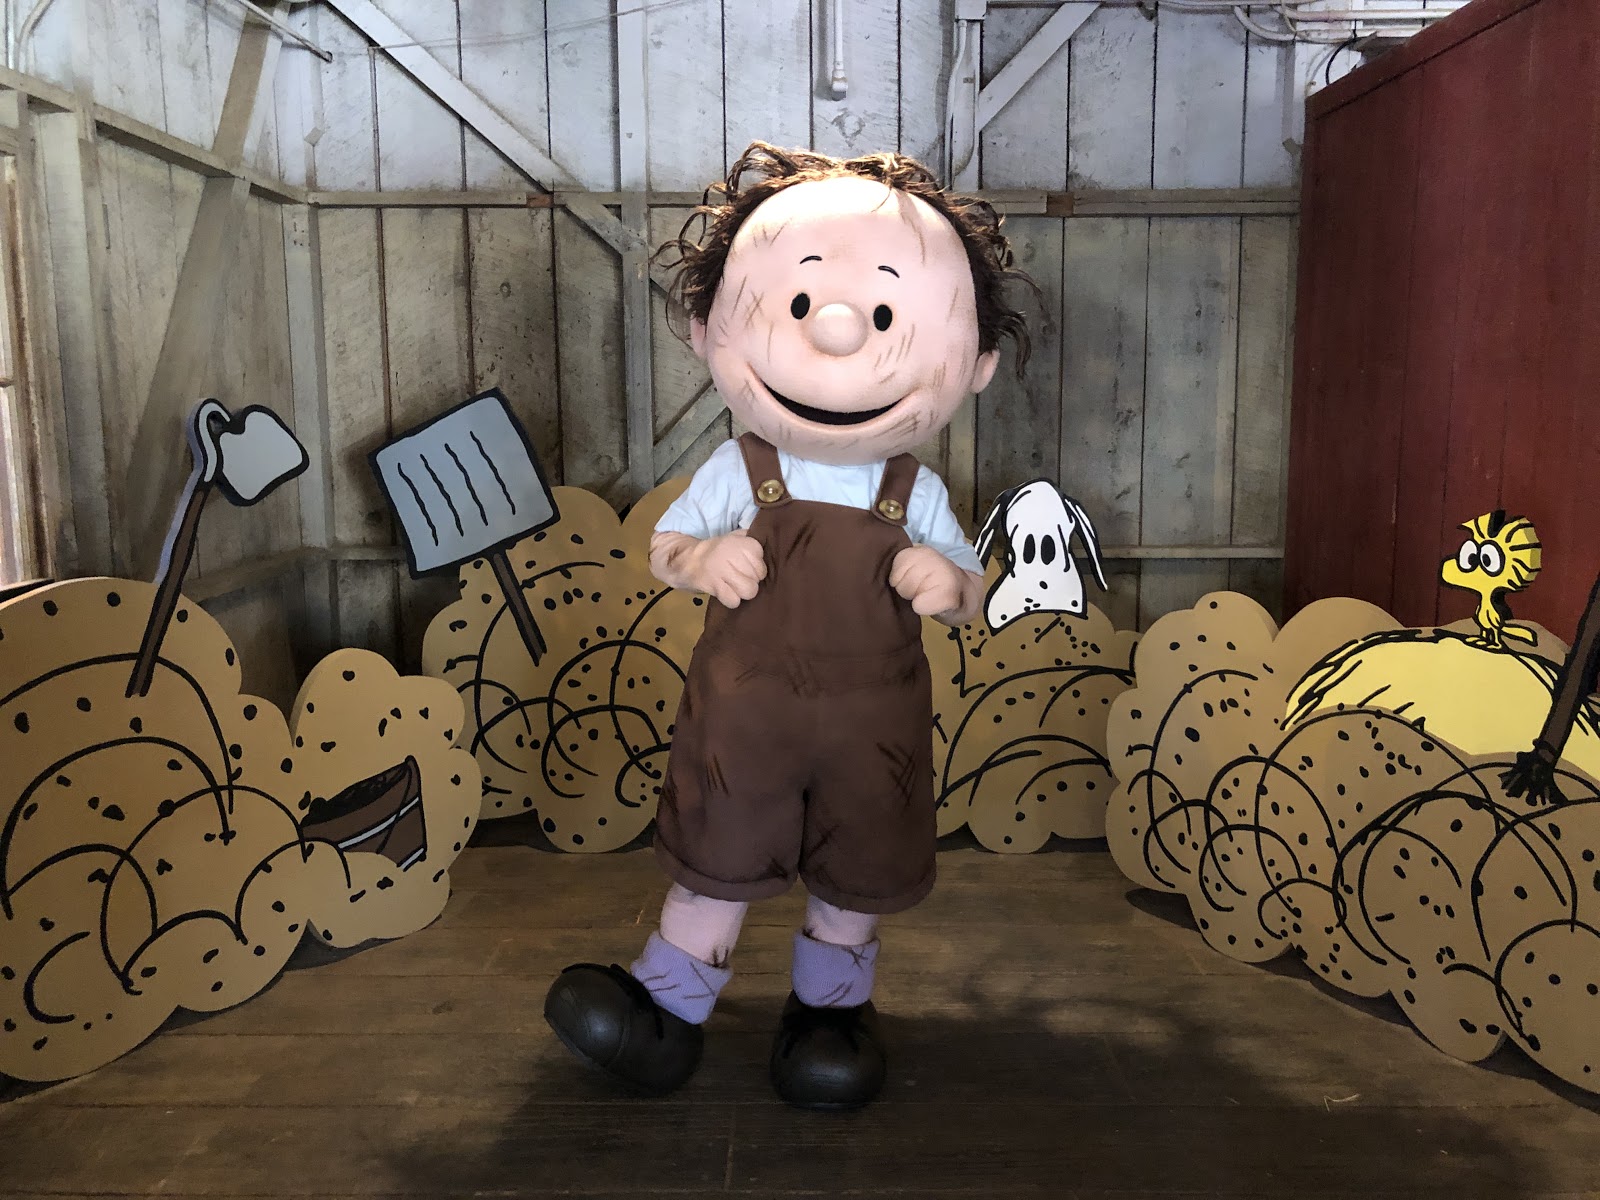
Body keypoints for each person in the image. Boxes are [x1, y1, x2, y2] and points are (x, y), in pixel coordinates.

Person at [543, 142, 1031, 1110]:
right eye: (801, 303)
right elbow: (666, 546)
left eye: (884, 314)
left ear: (975, 364)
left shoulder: (916, 489)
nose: (839, 334)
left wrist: (948, 582)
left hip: (872, 738)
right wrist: (699, 561)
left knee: (854, 877)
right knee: (715, 863)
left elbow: (976, 592)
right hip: (743, 731)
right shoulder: (739, 468)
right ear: (706, 329)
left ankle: (830, 1016)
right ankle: (667, 1009)